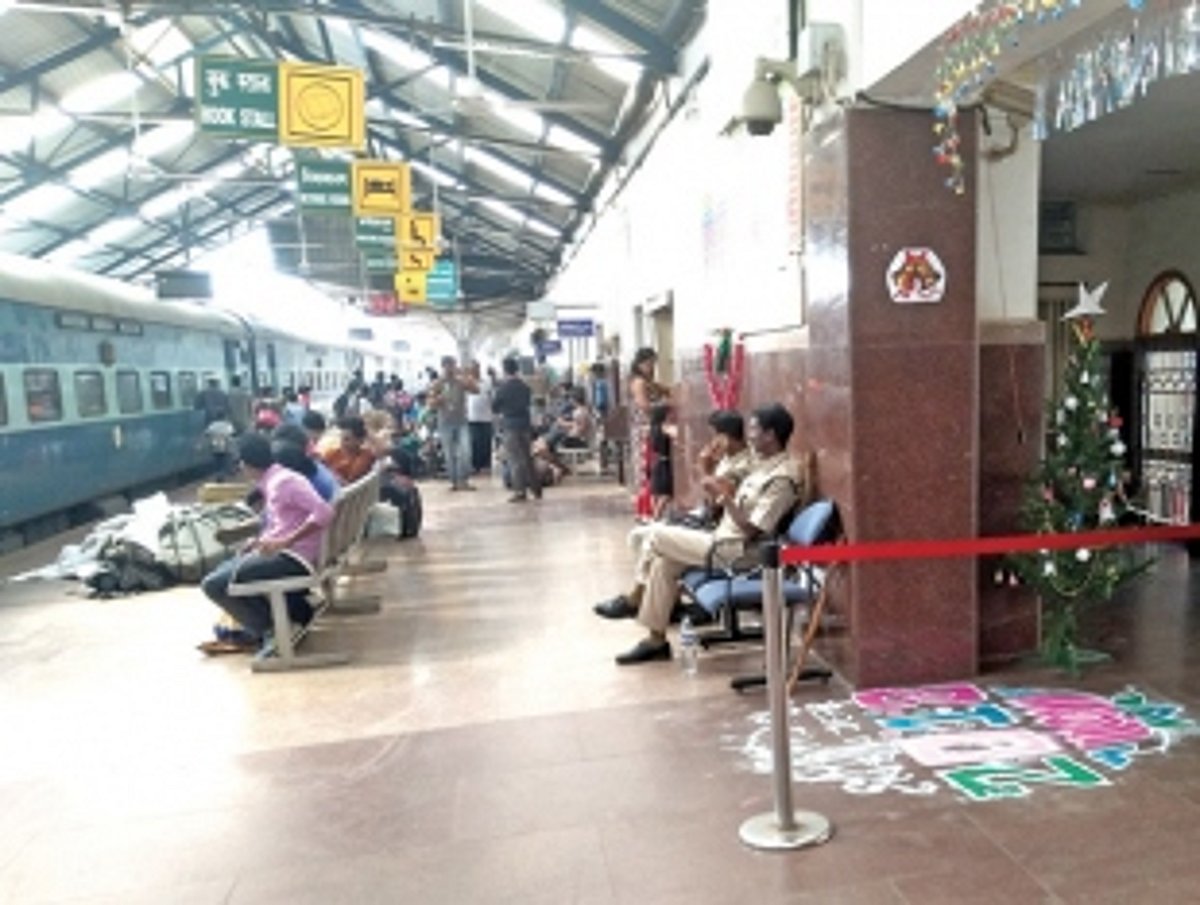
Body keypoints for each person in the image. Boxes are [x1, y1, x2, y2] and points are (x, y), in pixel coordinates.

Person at [594, 403, 807, 665]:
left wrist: (724, 496)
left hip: (739, 553)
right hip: (721, 539)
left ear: (770, 435)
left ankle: (634, 599)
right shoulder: (760, 464)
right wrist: (712, 478)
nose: (748, 434)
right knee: (664, 563)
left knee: (656, 536)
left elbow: (753, 529)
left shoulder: (782, 477)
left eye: (753, 429)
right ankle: (656, 640)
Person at [199, 433, 333, 654]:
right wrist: (260, 541)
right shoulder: (276, 480)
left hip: (294, 558)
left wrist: (286, 540)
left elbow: (324, 512)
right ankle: (293, 615)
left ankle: (272, 629)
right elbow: (284, 522)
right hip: (287, 553)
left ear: (245, 463)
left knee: (214, 584)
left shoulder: (284, 482)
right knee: (226, 570)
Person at [628, 348, 670, 519]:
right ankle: (645, 510)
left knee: (651, 468)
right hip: (643, 429)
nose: (652, 367)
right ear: (639, 364)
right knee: (646, 469)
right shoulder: (638, 382)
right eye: (648, 364)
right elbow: (644, 406)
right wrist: (664, 406)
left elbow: (668, 390)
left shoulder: (649, 382)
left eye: (654, 363)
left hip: (651, 427)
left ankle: (649, 509)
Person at [492, 356, 540, 503]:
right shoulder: (525, 387)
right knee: (528, 457)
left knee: (515, 459)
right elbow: (528, 404)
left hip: (510, 425)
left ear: (505, 370)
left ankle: (520, 491)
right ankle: (536, 489)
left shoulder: (503, 388)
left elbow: (494, 407)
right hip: (525, 424)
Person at [428, 355, 479, 491]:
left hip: (461, 420)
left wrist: (466, 377)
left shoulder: (460, 381)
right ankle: (454, 481)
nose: (451, 368)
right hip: (445, 422)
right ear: (443, 366)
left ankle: (464, 480)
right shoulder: (437, 383)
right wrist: (439, 399)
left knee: (466, 450)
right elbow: (430, 404)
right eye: (448, 366)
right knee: (449, 453)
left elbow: (476, 390)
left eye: (453, 365)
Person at [321, 415, 377, 485]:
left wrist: (330, 473)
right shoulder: (331, 454)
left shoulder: (365, 456)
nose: (342, 442)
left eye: (347, 439)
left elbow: (350, 483)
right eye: (341, 438)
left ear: (359, 441)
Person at [465, 361, 494, 474]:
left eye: (477, 368)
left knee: (486, 441)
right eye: (473, 368)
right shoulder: (466, 384)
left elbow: (491, 396)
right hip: (472, 418)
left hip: (486, 417)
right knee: (474, 442)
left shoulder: (486, 382)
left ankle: (486, 465)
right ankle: (475, 465)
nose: (475, 370)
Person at [648, 403, 676, 520]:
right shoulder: (665, 427)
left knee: (656, 491)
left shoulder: (654, 428)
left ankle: (654, 515)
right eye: (670, 413)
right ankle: (656, 517)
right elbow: (677, 434)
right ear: (664, 415)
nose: (672, 415)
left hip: (658, 462)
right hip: (665, 463)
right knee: (666, 493)